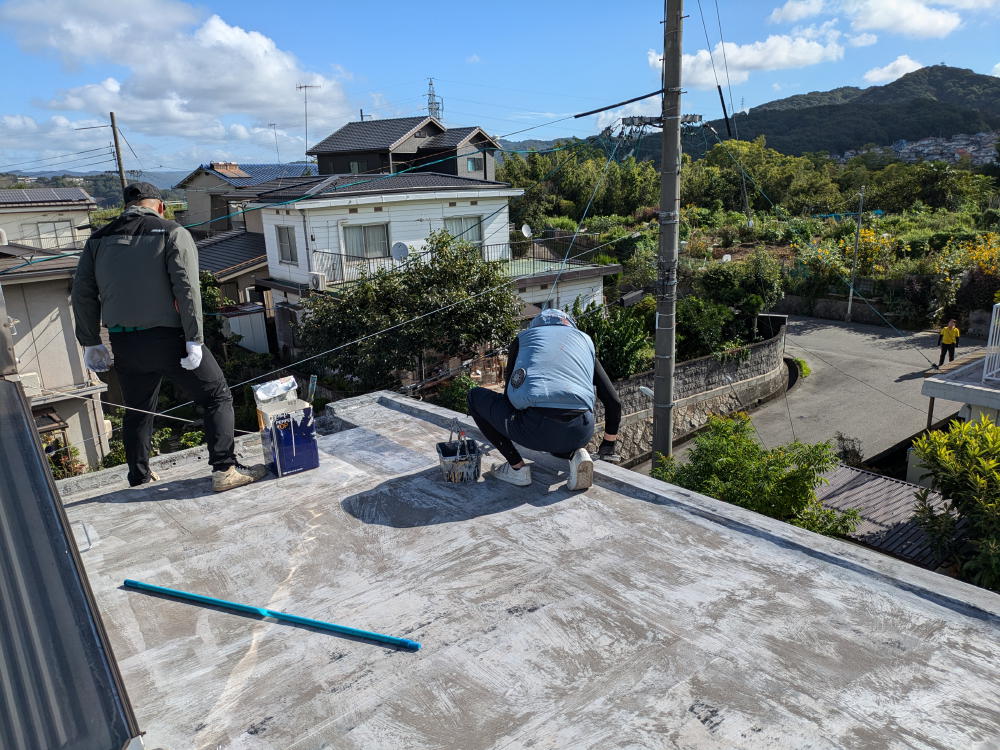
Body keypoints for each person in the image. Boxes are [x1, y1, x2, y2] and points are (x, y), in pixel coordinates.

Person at [71, 182, 267, 492]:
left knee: (138, 409)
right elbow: (186, 287)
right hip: (169, 339)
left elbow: (82, 293)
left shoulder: (97, 239)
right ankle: (224, 469)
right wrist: (194, 337)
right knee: (216, 396)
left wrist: (91, 341)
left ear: (126, 206)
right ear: (160, 206)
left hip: (123, 343)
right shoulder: (170, 231)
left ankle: (139, 476)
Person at [466, 308, 621, 490]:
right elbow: (613, 402)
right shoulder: (584, 341)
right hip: (581, 432)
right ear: (569, 325)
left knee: (474, 397)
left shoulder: (524, 339)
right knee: (560, 426)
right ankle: (576, 454)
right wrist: (608, 445)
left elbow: (510, 396)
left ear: (535, 327)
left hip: (536, 431)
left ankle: (517, 468)